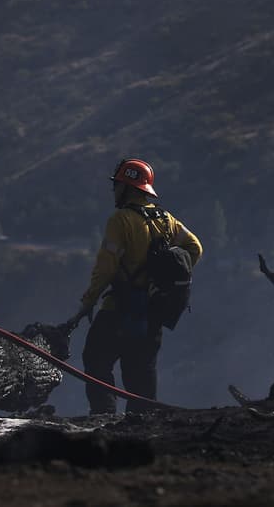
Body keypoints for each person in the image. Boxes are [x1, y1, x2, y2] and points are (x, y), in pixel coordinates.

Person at [71, 158, 202, 414]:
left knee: (96, 361)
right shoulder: (166, 220)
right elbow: (194, 247)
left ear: (127, 188)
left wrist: (88, 302)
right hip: (153, 313)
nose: (114, 191)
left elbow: (106, 268)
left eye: (117, 185)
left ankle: (103, 418)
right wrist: (165, 276)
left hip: (119, 310)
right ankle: (142, 426)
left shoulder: (121, 220)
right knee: (141, 374)